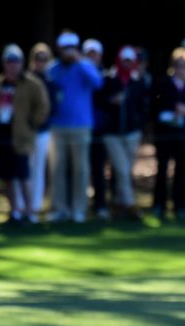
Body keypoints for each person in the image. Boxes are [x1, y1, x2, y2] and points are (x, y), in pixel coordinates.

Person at [0, 44, 50, 224]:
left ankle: (30, 213)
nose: (12, 65)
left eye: (15, 61)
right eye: (9, 61)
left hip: (21, 137)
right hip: (1, 135)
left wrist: (32, 124)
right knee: (7, 177)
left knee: (23, 176)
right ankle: (14, 211)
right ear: (4, 63)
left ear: (22, 63)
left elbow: (43, 106)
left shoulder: (31, 84)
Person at [47, 31, 103, 223]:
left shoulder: (85, 66)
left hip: (81, 126)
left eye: (72, 48)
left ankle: (79, 209)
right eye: (65, 49)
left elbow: (98, 83)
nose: (68, 52)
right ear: (60, 50)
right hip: (57, 127)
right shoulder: (53, 69)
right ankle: (59, 209)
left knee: (81, 170)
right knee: (58, 170)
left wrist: (79, 61)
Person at [99, 46, 147, 219]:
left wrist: (140, 128)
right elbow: (99, 102)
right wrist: (111, 101)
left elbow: (142, 107)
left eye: (130, 60)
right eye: (124, 60)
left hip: (132, 132)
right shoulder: (109, 79)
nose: (127, 63)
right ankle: (131, 204)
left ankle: (118, 205)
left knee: (125, 171)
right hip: (112, 133)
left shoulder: (137, 81)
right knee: (121, 170)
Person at [151, 47, 185, 219]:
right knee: (162, 170)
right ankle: (159, 206)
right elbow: (154, 108)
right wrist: (172, 109)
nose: (181, 68)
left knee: (183, 171)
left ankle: (181, 206)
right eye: (178, 65)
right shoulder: (163, 84)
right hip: (165, 135)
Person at [26, 43, 56, 218]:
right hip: (25, 132)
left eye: (44, 59)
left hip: (43, 132)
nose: (41, 62)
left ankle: (35, 209)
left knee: (38, 171)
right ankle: (22, 207)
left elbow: (52, 108)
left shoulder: (50, 82)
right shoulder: (25, 80)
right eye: (38, 58)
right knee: (24, 170)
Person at [83, 38, 111, 219]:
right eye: (89, 54)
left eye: (95, 54)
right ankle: (80, 206)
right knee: (80, 169)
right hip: (81, 127)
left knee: (98, 168)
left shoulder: (106, 76)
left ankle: (100, 205)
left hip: (99, 129)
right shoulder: (79, 73)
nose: (93, 57)